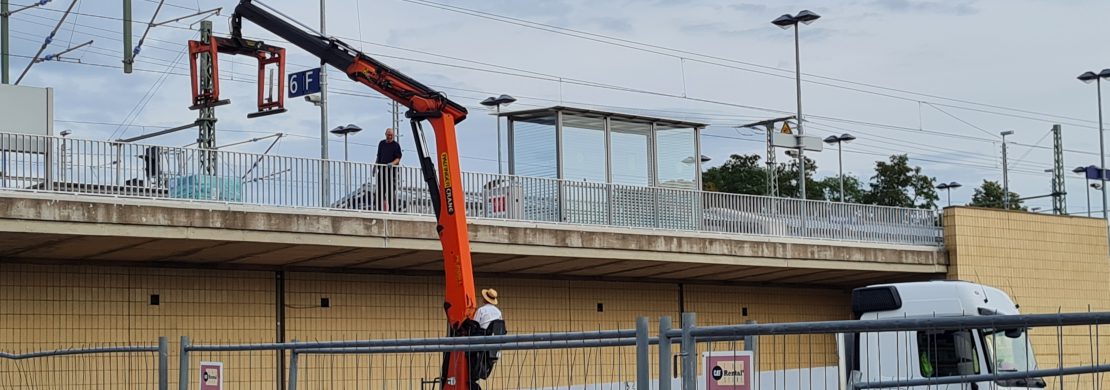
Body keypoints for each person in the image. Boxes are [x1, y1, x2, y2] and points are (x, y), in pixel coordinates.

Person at [470, 289, 504, 390]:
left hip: (482, 342)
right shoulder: (498, 312)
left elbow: (475, 324)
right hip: (494, 344)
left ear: (485, 299)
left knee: (472, 364)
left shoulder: (481, 310)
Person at [375, 128, 402, 211]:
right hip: (382, 172)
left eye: (391, 135)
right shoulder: (381, 143)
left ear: (393, 135)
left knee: (390, 192)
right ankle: (378, 210)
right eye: (388, 135)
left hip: (391, 173)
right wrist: (375, 166)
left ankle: (392, 211)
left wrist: (392, 163)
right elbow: (378, 156)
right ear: (385, 134)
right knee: (380, 191)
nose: (389, 136)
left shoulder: (396, 145)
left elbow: (398, 158)